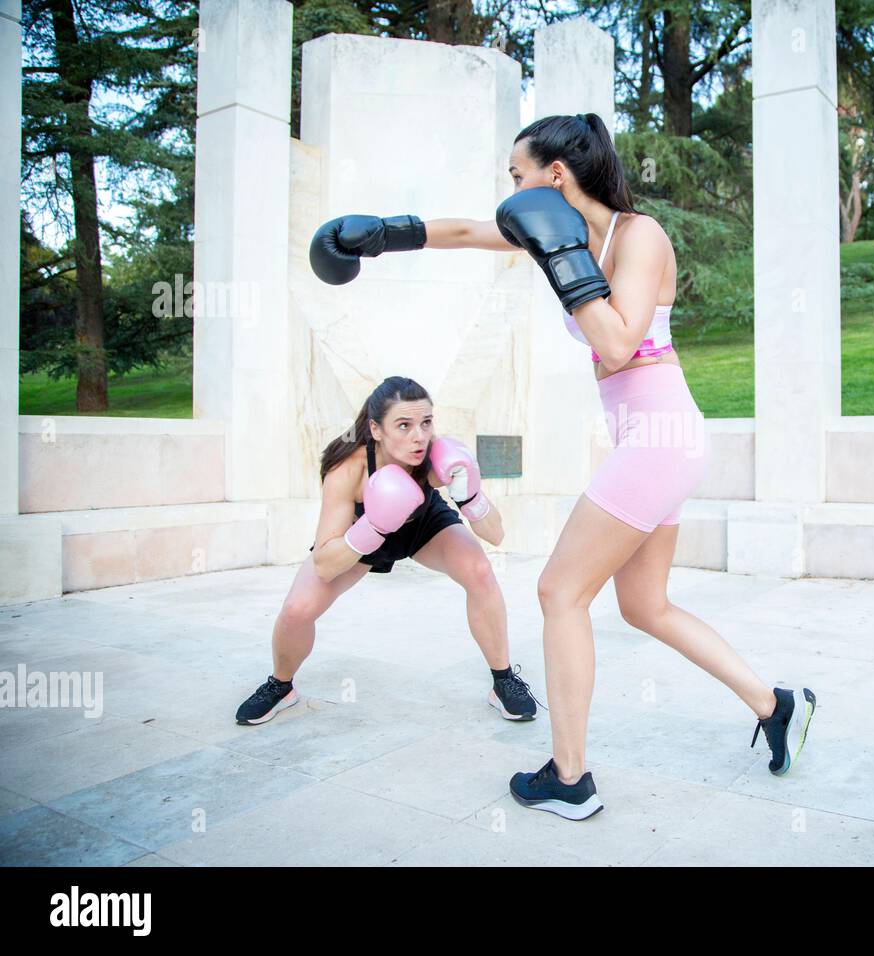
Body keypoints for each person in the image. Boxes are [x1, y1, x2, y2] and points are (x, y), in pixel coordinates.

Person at [307, 113, 815, 822]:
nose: (509, 190)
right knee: (644, 605)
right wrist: (383, 235)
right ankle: (777, 704)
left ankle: (570, 777)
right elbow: (464, 232)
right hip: (649, 437)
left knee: (559, 592)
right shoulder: (551, 231)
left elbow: (614, 344)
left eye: (517, 175)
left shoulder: (640, 237)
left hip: (659, 437)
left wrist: (560, 252)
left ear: (554, 175)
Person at [234, 376, 539, 726]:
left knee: (480, 572)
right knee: (296, 611)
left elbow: (496, 534)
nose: (419, 436)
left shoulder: (437, 458)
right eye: (404, 425)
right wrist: (373, 526)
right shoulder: (348, 468)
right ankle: (280, 685)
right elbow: (324, 563)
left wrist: (470, 497)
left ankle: (503, 681)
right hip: (363, 534)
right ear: (376, 429)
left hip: (423, 526)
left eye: (426, 423)